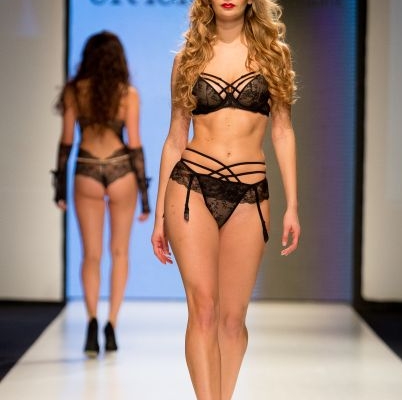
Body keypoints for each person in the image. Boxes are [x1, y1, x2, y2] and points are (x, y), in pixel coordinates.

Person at [151, 0, 300, 398]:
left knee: (233, 320)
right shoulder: (188, 58)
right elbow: (175, 137)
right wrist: (159, 214)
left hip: (250, 194)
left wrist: (293, 206)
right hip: (191, 188)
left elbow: (283, 131)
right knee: (203, 309)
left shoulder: (274, 55)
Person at [52, 31, 150, 357]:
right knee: (120, 252)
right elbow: (135, 145)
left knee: (91, 255)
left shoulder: (75, 91)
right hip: (122, 170)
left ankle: (92, 323)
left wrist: (59, 188)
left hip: (87, 170)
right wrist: (145, 198)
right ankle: (111, 325)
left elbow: (66, 142)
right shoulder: (127, 94)